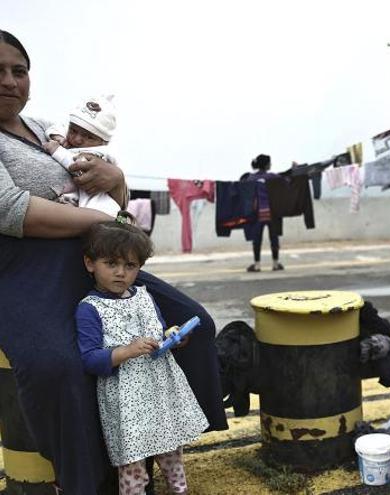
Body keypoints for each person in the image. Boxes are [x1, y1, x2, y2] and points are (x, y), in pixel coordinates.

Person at [0, 30, 228, 493]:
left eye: (18, 71)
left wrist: (118, 178)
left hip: (95, 260)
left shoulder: (47, 131)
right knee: (59, 367)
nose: (9, 81)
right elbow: (11, 210)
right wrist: (100, 220)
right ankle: (85, 479)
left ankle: (162, 437)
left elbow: (112, 196)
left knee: (191, 323)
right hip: (23, 270)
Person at [77, 215, 208, 494]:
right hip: (126, 402)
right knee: (133, 465)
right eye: (111, 264)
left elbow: (158, 332)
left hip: (159, 391)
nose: (121, 273)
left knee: (172, 451)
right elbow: (89, 359)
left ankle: (179, 490)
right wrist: (125, 351)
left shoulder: (145, 295)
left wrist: (174, 337)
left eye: (130, 265)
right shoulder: (89, 309)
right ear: (90, 263)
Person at [43, 94, 121, 217]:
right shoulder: (70, 135)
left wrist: (57, 150)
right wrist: (58, 137)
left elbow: (78, 166)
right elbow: (54, 128)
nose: (77, 139)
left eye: (89, 137)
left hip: (101, 210)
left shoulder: (101, 153)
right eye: (73, 130)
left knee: (117, 221)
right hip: (76, 205)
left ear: (103, 141)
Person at [241, 153, 283, 272]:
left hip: (258, 213)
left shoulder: (251, 178)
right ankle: (275, 264)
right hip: (272, 212)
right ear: (266, 165)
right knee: (274, 238)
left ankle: (257, 265)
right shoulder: (273, 177)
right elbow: (286, 181)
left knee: (257, 239)